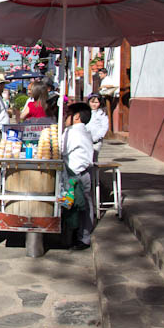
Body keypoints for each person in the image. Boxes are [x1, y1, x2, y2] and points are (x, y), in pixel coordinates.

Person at [62, 102, 94, 251]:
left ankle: (83, 238)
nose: (65, 117)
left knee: (80, 207)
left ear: (76, 117)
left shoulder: (73, 132)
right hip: (83, 172)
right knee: (82, 206)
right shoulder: (84, 131)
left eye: (68, 114)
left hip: (76, 175)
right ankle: (81, 236)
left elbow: (61, 149)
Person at [86, 93, 109, 162]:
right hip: (86, 139)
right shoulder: (86, 112)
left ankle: (94, 172)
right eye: (92, 102)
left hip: (96, 141)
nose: (94, 104)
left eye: (96, 102)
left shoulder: (102, 113)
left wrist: (96, 137)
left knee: (93, 158)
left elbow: (104, 127)